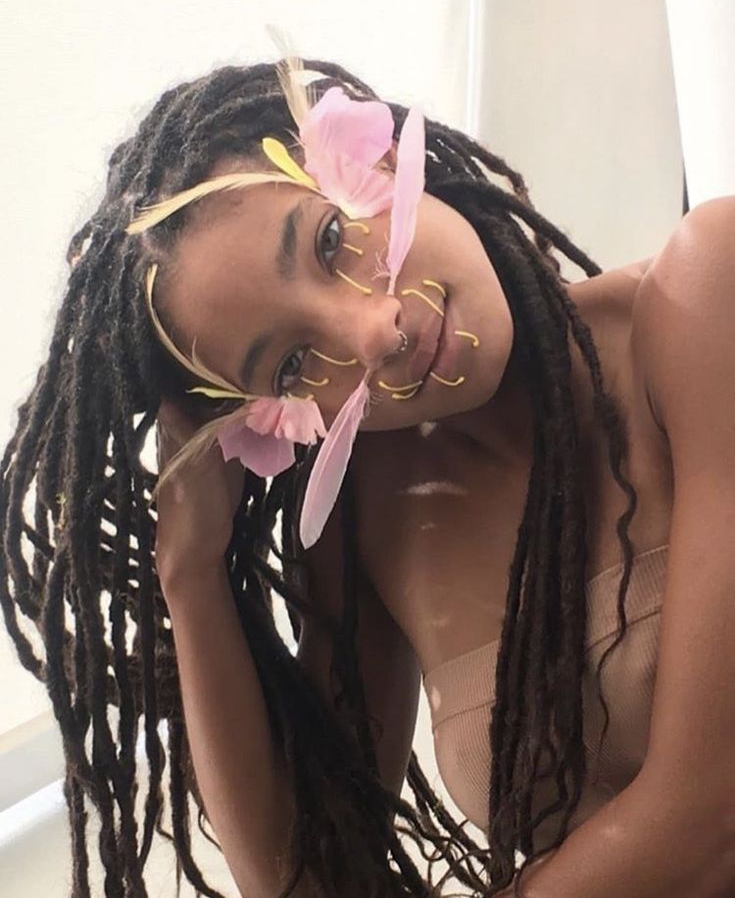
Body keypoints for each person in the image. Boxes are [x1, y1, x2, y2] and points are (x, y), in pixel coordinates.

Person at [2, 53, 733, 898]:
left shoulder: (699, 296)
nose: (374, 331)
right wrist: (190, 574)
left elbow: (708, 816)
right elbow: (308, 881)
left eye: (327, 239)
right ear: (262, 418)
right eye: (291, 364)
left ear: (381, 155)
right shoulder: (374, 523)